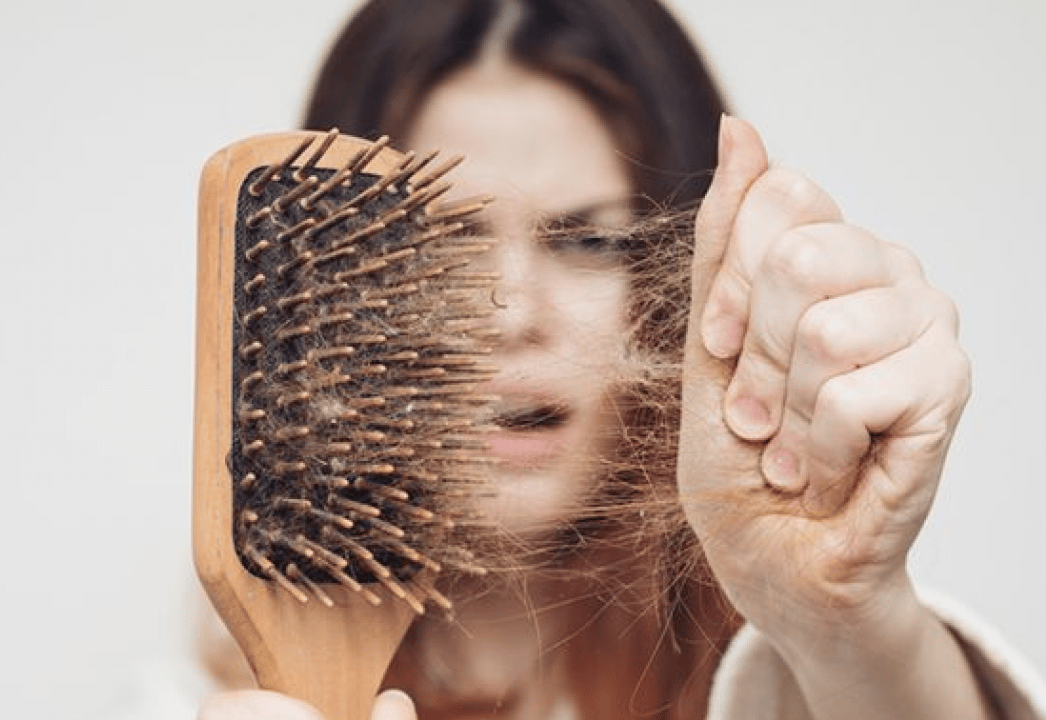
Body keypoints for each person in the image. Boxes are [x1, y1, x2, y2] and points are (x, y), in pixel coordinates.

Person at [195, 1, 1046, 719]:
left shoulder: (799, 685)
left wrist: (849, 621)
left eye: (591, 240)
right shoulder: (193, 697)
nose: (511, 315)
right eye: (443, 244)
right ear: (326, 290)